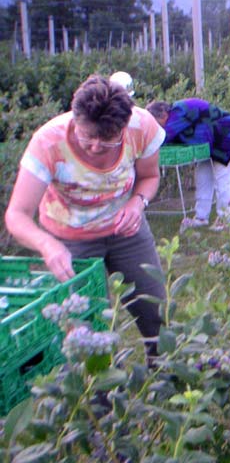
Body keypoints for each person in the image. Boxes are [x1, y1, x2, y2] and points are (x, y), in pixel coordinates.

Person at [4, 74, 167, 363]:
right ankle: (98, 401)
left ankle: (166, 375)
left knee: (154, 306)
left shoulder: (142, 127)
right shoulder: (48, 142)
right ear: (75, 119)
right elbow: (16, 215)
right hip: (70, 240)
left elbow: (150, 177)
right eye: (87, 136)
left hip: (126, 231)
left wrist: (137, 203)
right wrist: (47, 244)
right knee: (85, 329)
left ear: (124, 127)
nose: (94, 147)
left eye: (106, 141)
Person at [147, 99, 230, 231]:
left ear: (163, 115)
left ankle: (225, 219)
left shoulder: (179, 112)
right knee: (202, 176)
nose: (157, 127)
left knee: (222, 177)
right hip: (209, 140)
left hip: (227, 133)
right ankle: (201, 217)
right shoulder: (175, 114)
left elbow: (164, 137)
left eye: (156, 124)